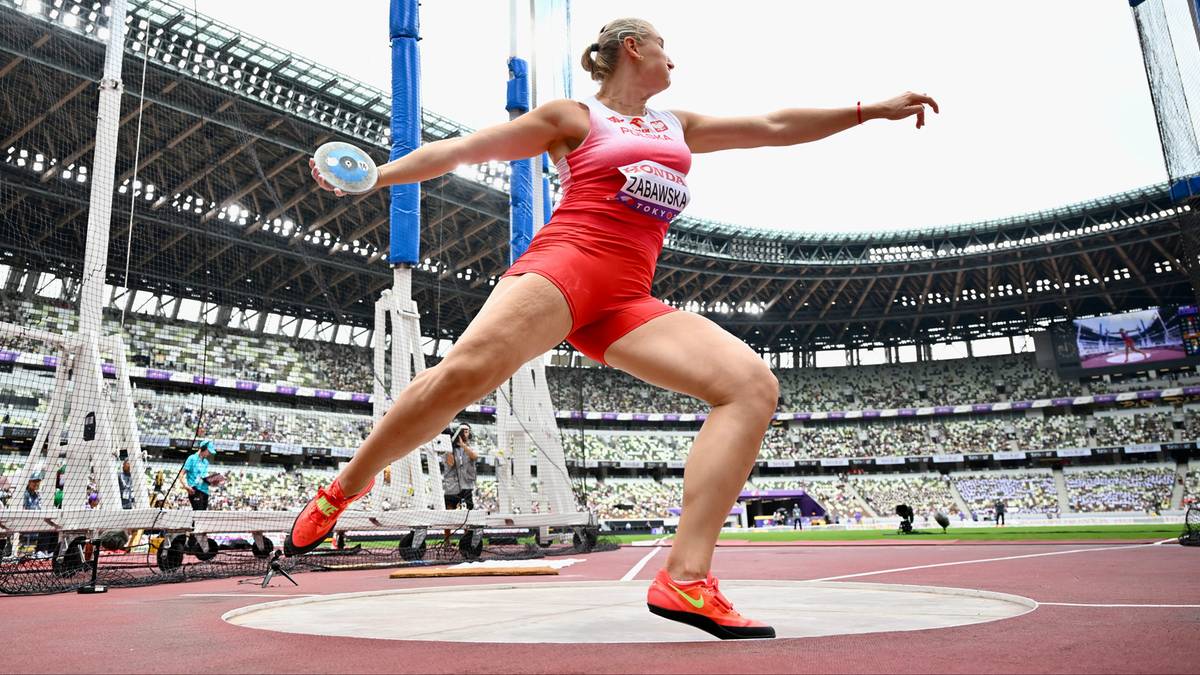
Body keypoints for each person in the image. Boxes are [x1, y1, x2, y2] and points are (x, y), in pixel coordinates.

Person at [285, 17, 936, 640]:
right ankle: (345, 486)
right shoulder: (575, 117)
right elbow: (467, 148)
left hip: (626, 298)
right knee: (465, 373)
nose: (674, 59)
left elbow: (773, 124)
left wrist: (868, 110)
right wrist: (378, 175)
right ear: (633, 48)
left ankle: (686, 578)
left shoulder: (680, 126)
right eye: (664, 47)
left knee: (751, 385)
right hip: (563, 267)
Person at [442, 424, 478, 510]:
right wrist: (450, 447)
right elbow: (450, 463)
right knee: (449, 510)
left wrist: (463, 445)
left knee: (469, 510)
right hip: (452, 487)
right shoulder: (449, 449)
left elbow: (475, 456)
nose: (465, 434)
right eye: (462, 432)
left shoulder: (471, 447)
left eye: (466, 431)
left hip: (467, 485)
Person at [179, 440, 215, 511]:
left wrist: (213, 480)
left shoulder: (206, 462)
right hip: (195, 491)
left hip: (205, 491)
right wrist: (186, 487)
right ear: (203, 448)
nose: (209, 453)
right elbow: (181, 474)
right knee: (198, 514)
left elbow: (204, 477)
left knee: (202, 517)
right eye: (209, 451)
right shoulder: (191, 458)